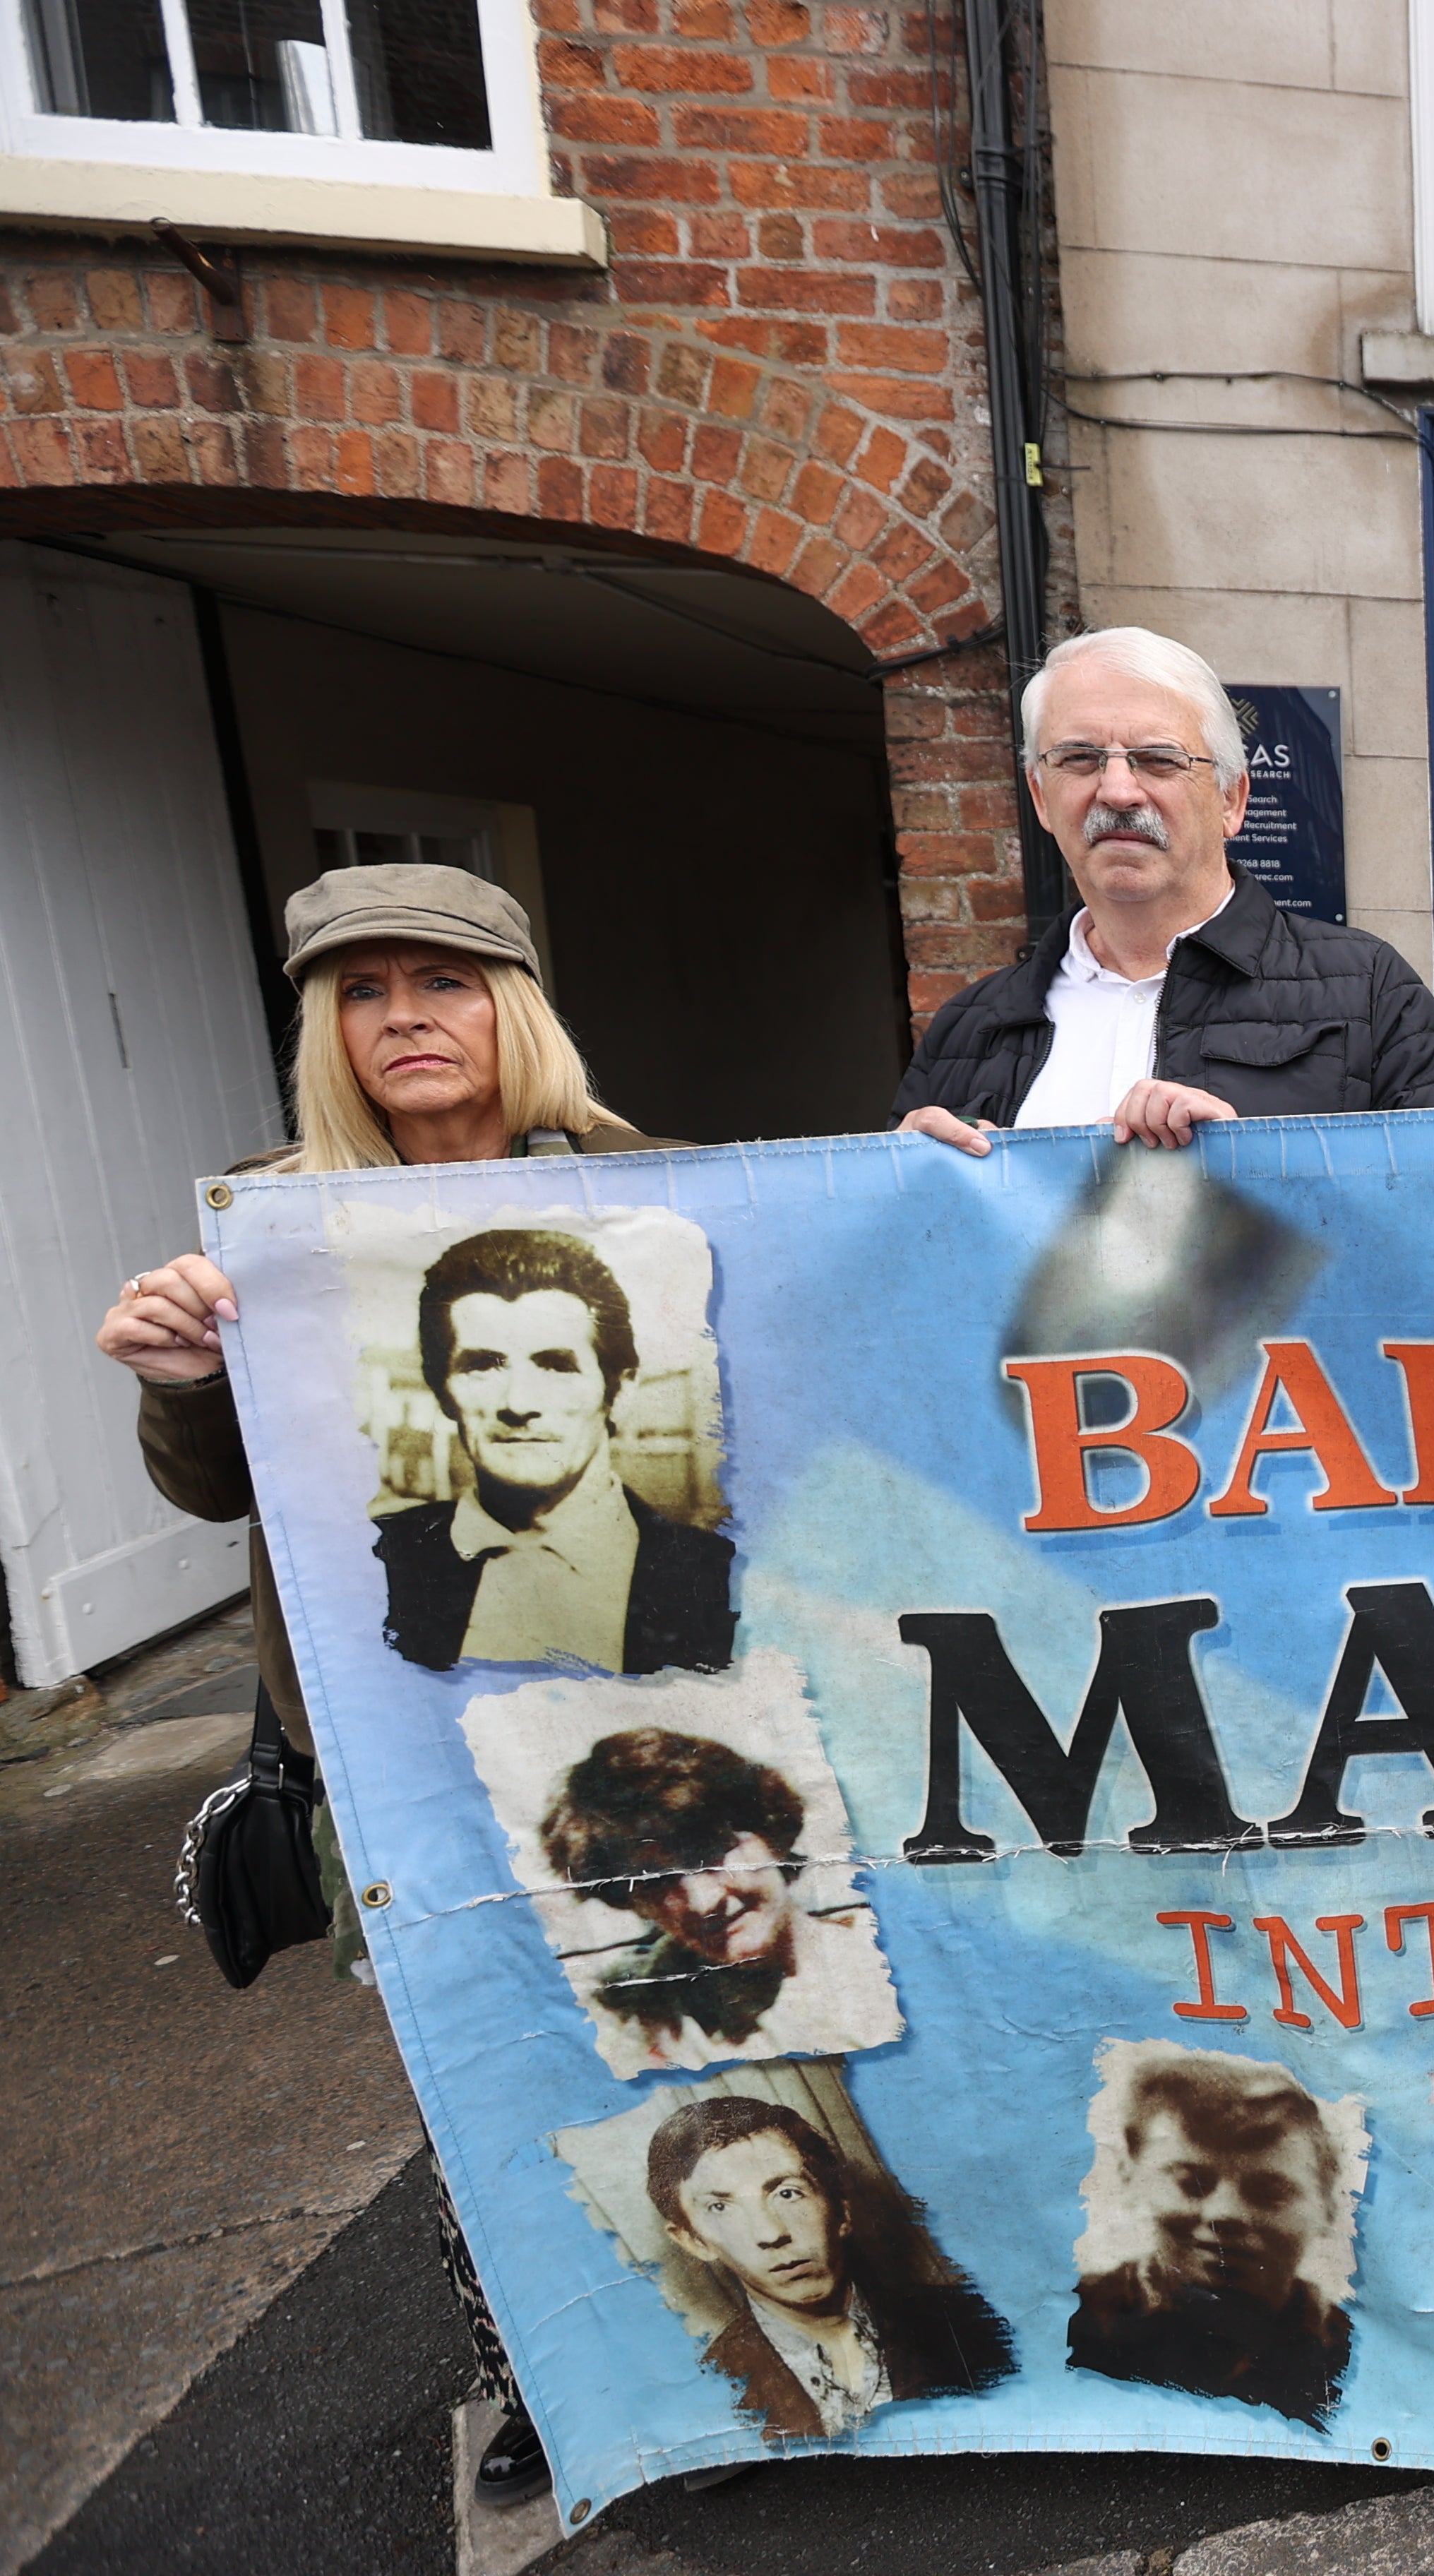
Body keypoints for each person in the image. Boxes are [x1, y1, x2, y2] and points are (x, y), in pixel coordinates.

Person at [95, 861, 688, 2514]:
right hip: (403, 1744)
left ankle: (706, 2356)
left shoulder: (658, 1188)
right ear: (324, 1032)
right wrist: (178, 1379)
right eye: (361, 992)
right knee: (476, 2060)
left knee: (667, 2033)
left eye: (441, 980)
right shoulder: (268, 1229)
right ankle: (540, 2375)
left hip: (629, 1717)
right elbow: (223, 1489)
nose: (403, 1017)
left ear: (515, 1005)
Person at [897, 626, 1434, 1155]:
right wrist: (896, 1183)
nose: (1118, 790)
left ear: (1232, 800)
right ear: (1042, 797)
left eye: (1158, 759)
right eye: (1079, 758)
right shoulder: (968, 1028)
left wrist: (1243, 1170)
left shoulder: (1368, 992)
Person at [376, 1229, 735, 1674]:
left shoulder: (722, 1576)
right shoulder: (377, 1558)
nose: (519, 1403)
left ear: (618, 1389)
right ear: (443, 1391)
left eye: (556, 1365)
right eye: (482, 1365)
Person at [645, 2094, 1015, 2440]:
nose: (771, 2233)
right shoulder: (707, 2392)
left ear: (841, 2207)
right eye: (721, 2208)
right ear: (694, 2241)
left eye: (787, 2193)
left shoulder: (972, 2324)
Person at [536, 1729, 898, 2071]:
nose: (703, 1902)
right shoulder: (634, 2017)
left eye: (707, 1854)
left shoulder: (897, 1961)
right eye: (658, 1884)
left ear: (769, 1834)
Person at [1068, 2056, 1354, 2424]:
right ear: (1131, 2177)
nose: (1226, 2214)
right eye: (1190, 2183)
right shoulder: (1075, 2324)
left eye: (1269, 2192)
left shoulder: (1357, 2350)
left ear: (1328, 2205)